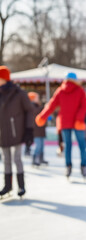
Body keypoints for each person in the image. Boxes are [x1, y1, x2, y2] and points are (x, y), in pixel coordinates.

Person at [35, 72, 86, 178]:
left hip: (65, 122)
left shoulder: (60, 91)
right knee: (82, 145)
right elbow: (84, 106)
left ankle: (68, 167)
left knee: (67, 146)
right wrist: (79, 118)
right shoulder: (80, 90)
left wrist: (42, 116)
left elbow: (51, 105)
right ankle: (84, 166)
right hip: (78, 123)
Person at [0, 66, 34, 198]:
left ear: (4, 78)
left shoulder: (18, 92)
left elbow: (29, 111)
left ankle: (21, 186)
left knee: (16, 158)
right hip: (2, 132)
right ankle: (7, 186)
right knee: (6, 159)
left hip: (17, 131)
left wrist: (29, 129)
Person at [28, 92, 48, 166]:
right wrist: (45, 107)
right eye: (37, 97)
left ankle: (41, 159)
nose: (38, 99)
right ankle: (35, 159)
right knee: (38, 145)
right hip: (36, 130)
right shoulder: (31, 106)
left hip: (41, 129)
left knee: (42, 146)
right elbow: (37, 111)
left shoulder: (37, 106)